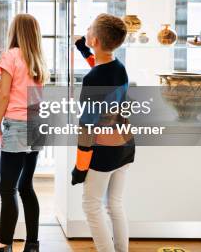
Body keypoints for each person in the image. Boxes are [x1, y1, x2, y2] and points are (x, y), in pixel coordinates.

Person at [71, 14, 136, 252]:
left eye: (88, 29)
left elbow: (86, 127)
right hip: (125, 145)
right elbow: (99, 68)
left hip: (104, 150)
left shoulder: (93, 79)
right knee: (115, 204)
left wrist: (80, 167)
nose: (85, 30)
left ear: (96, 41)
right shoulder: (118, 67)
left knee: (91, 205)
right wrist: (82, 48)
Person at [0, 14, 48, 252]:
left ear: (14, 31)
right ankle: (32, 244)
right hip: (37, 125)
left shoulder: (11, 56)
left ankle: (4, 245)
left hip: (16, 125)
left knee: (8, 189)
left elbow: (4, 94)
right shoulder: (39, 58)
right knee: (26, 186)